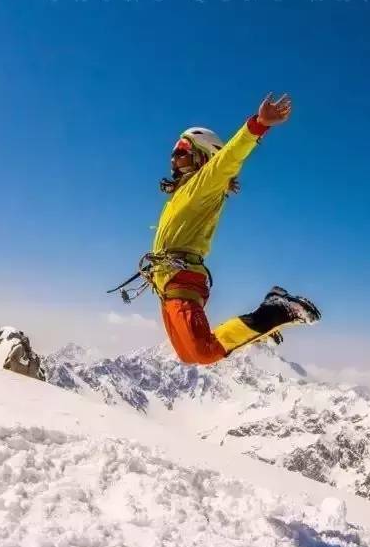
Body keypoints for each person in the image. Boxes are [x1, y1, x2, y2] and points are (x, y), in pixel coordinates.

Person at [121, 93, 320, 366]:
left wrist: (259, 124)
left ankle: (274, 311)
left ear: (204, 157)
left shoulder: (203, 184)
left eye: (182, 153)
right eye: (173, 154)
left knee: (201, 351)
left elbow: (228, 159)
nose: (173, 160)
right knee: (189, 355)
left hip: (182, 277)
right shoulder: (184, 193)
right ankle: (261, 328)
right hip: (166, 282)